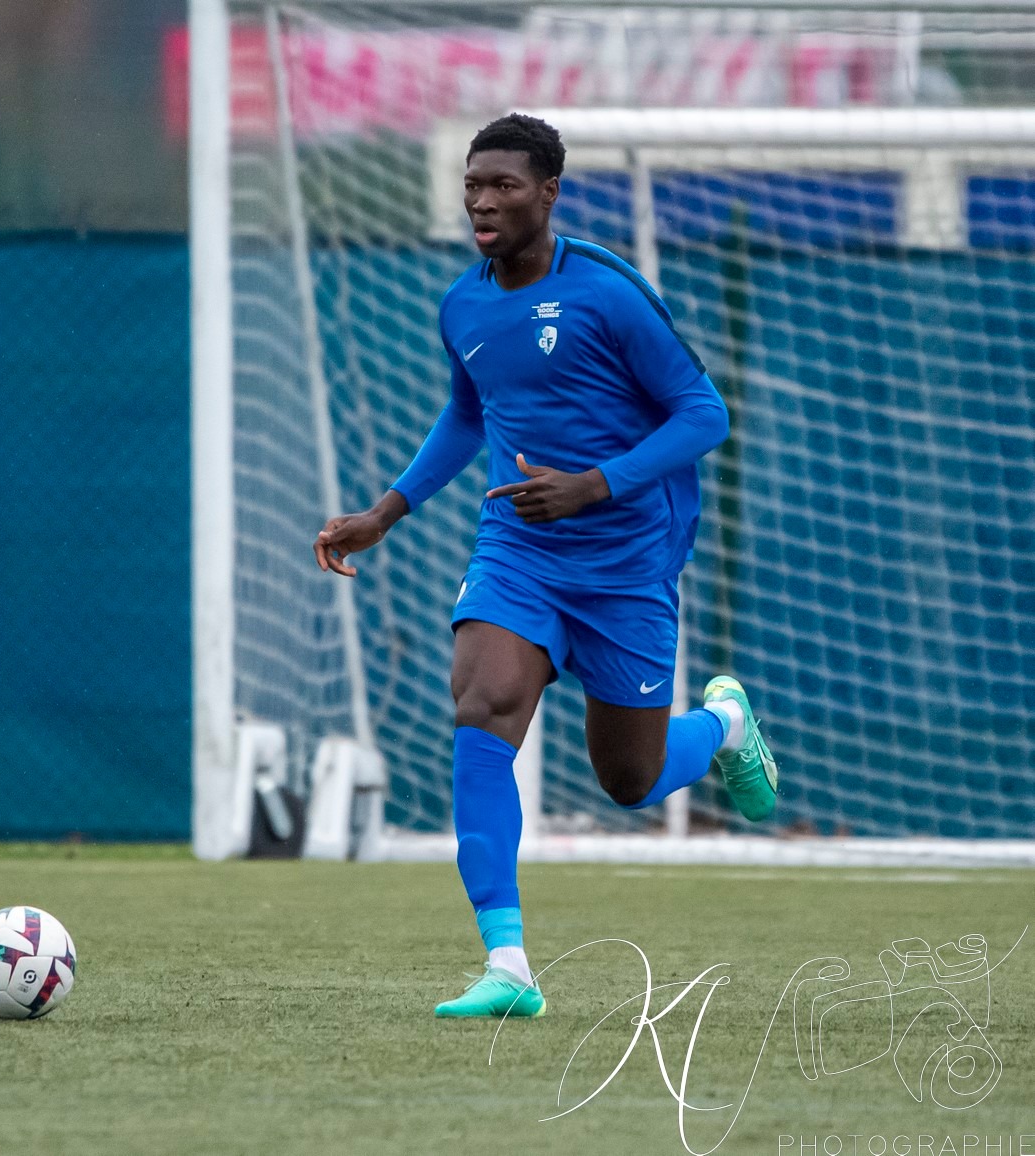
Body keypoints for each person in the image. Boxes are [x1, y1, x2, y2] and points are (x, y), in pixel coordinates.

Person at [312, 113, 779, 1019]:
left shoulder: (608, 296)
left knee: (629, 781)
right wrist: (386, 511)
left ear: (550, 193)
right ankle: (509, 966)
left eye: (504, 185)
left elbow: (702, 414)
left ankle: (724, 726)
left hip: (626, 559)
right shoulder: (464, 303)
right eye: (472, 184)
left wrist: (594, 486)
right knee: (482, 705)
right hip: (519, 552)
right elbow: (466, 414)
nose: (482, 201)